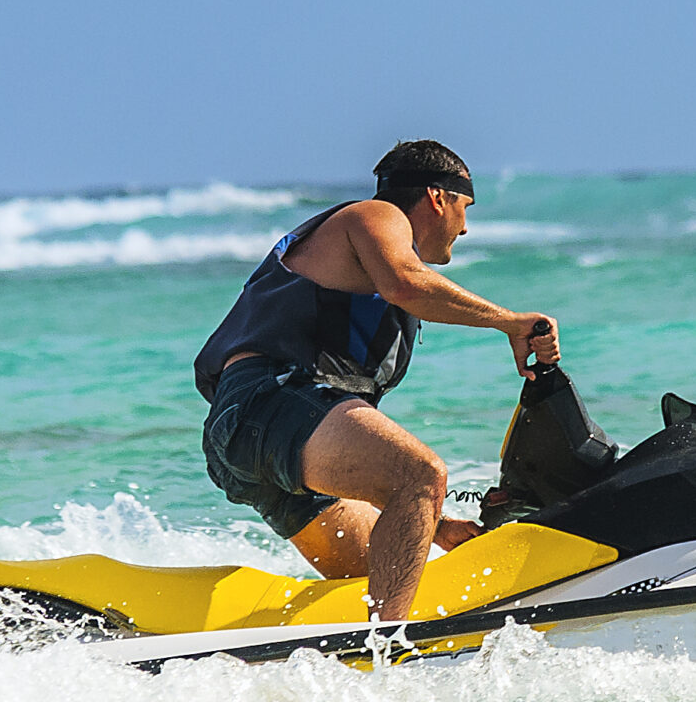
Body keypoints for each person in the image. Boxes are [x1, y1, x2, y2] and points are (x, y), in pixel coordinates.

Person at [194, 140, 559, 624]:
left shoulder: (363, 250)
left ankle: (337, 653)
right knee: (420, 475)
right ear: (437, 198)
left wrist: (437, 523)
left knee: (379, 575)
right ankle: (388, 653)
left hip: (259, 434)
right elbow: (405, 285)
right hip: (270, 403)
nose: (465, 227)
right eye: (465, 208)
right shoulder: (377, 216)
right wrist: (511, 322)